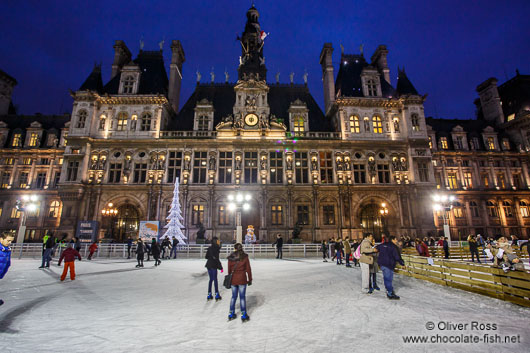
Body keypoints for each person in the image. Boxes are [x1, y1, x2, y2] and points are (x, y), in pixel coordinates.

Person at [227, 243, 252, 321]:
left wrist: (230, 278)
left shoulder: (231, 258)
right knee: (242, 297)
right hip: (242, 279)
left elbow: (229, 270)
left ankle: (231, 313)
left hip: (233, 279)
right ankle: (244, 314)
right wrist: (250, 279)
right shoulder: (245, 257)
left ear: (235, 249)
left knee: (233, 297)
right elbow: (248, 268)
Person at [205, 237, 223, 301]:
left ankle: (209, 294)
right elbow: (217, 259)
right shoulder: (216, 249)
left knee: (210, 280)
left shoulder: (209, 248)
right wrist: (221, 267)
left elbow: (206, 257)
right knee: (215, 279)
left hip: (208, 265)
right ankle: (216, 293)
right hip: (214, 265)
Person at [0, 232, 14, 306]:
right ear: (1, 239)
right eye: (8, 240)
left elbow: (7, 263)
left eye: (11, 241)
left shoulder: (7, 250)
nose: (10, 243)